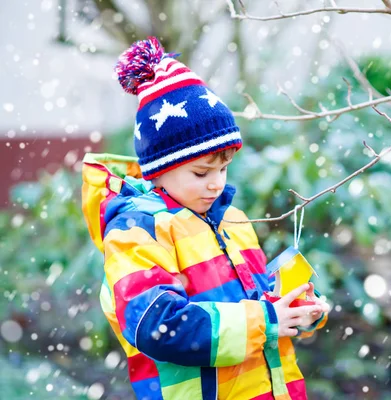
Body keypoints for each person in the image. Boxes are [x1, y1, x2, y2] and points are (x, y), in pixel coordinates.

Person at [81, 37, 329, 400]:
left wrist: (296, 307)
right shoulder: (137, 231)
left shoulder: (233, 220)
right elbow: (158, 325)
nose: (216, 184)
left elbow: (261, 298)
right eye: (201, 173)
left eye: (224, 169)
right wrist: (266, 320)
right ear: (159, 170)